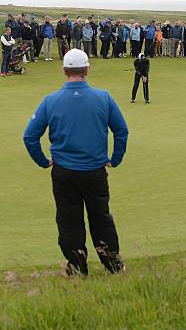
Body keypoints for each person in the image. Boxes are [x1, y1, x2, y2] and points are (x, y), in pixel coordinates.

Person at [23, 48, 128, 277]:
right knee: (101, 218)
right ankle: (113, 266)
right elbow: (122, 131)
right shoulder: (103, 97)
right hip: (95, 171)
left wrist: (43, 161)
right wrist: (115, 159)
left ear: (64, 71)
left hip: (63, 172)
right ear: (87, 70)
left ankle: (78, 269)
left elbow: (29, 136)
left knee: (69, 221)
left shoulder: (50, 100)